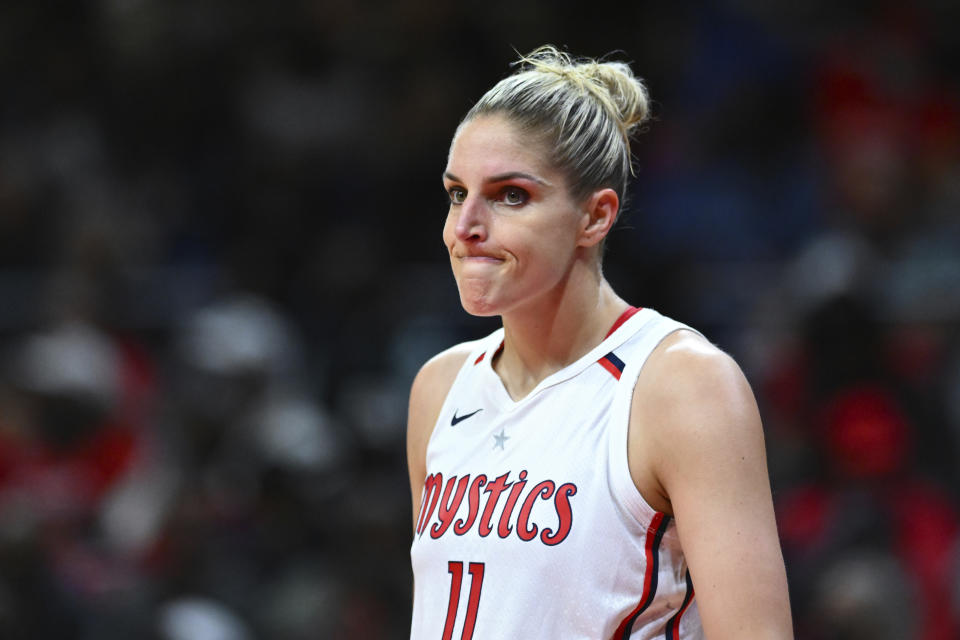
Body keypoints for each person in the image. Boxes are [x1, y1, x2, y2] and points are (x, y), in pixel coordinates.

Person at [406, 45, 792, 639]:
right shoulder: (441, 387)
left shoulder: (682, 386)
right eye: (458, 193)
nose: (466, 228)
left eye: (511, 195)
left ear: (596, 217)